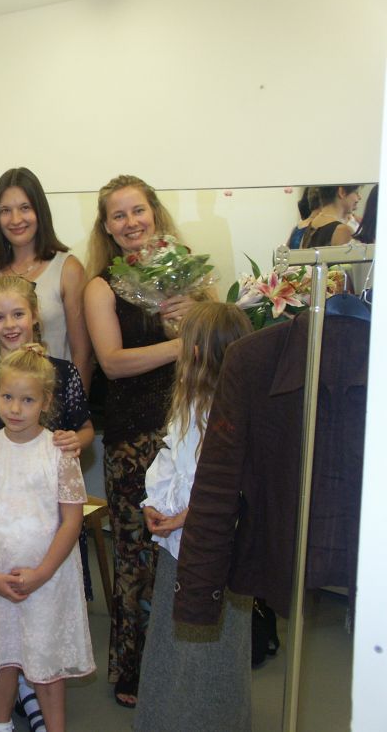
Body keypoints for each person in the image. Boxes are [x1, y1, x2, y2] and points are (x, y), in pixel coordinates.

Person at [0, 276, 93, 732]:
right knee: (3, 655)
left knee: (46, 660)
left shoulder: (59, 448)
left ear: (45, 401)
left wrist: (41, 572)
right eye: (7, 398)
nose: (15, 408)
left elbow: (71, 519)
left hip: (48, 574)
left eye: (28, 400)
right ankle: (0, 719)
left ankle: (45, 714)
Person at [83, 174, 196, 708]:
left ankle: (183, 665)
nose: (131, 223)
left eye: (138, 211)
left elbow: (217, 342)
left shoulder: (185, 272)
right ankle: (132, 670)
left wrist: (194, 322)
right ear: (106, 227)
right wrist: (179, 345)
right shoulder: (101, 287)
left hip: (187, 430)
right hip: (133, 439)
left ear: (154, 213)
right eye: (118, 215)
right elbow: (112, 363)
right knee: (136, 554)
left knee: (186, 552)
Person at [133, 302, 253, 732]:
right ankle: (168, 718)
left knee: (213, 646)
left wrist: (188, 515)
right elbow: (172, 459)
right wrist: (155, 503)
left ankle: (211, 721)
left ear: (198, 353)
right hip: (178, 546)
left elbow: (234, 485)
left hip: (215, 547)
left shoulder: (237, 411)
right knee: (173, 639)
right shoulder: (189, 403)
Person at [0, 168, 92, 390]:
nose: (16, 219)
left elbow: (82, 354)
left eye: (25, 208)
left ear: (39, 210)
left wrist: (75, 405)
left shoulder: (67, 269)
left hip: (55, 396)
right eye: (5, 210)